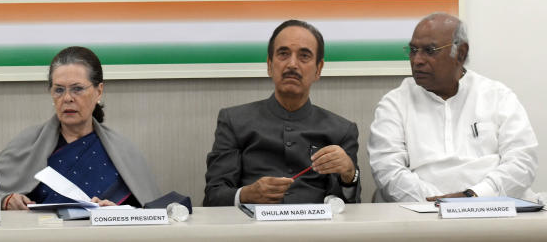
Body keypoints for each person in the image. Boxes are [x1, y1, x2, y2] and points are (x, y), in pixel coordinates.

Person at [0, 46, 160, 211]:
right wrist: (4, 200)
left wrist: (118, 213)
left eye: (77, 89)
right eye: (59, 90)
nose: (67, 98)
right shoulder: (28, 142)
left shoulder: (124, 150)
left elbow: (150, 210)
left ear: (98, 91)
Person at [368, 13, 537, 202]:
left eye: (429, 51)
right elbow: (387, 170)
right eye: (413, 50)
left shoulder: (498, 96)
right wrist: (442, 204)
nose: (417, 60)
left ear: (461, 53)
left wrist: (475, 196)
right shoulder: (395, 103)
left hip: (494, 209)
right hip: (423, 216)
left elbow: (523, 162)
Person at [204, 20, 360, 206]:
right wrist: (246, 194)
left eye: (304, 56)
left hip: (317, 232)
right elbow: (213, 196)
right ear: (269, 65)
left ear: (318, 69)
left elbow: (349, 204)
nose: (292, 64)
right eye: (283, 54)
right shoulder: (234, 121)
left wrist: (350, 174)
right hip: (251, 230)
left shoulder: (342, 130)